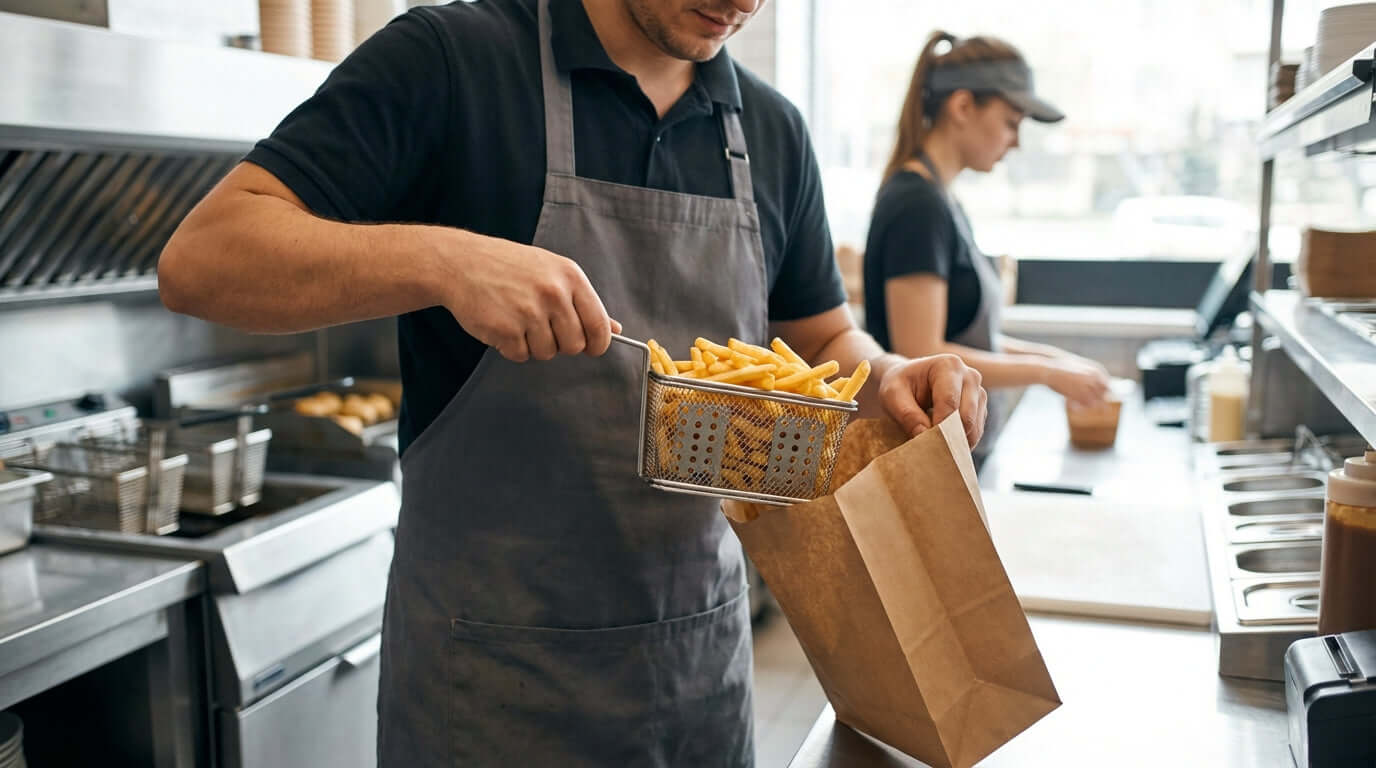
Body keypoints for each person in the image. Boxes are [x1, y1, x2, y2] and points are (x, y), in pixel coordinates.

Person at [158, 2, 988, 765]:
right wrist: (446, 260)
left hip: (696, 687)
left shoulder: (770, 131)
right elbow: (203, 261)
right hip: (488, 695)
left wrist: (889, 376)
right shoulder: (453, 61)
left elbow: (824, 338)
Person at [863, 31, 1109, 465]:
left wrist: (1055, 358)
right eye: (1011, 122)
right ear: (962, 107)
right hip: (920, 455)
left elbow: (970, 338)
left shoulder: (941, 198)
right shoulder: (916, 204)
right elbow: (923, 350)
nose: (1015, 141)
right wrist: (1047, 373)